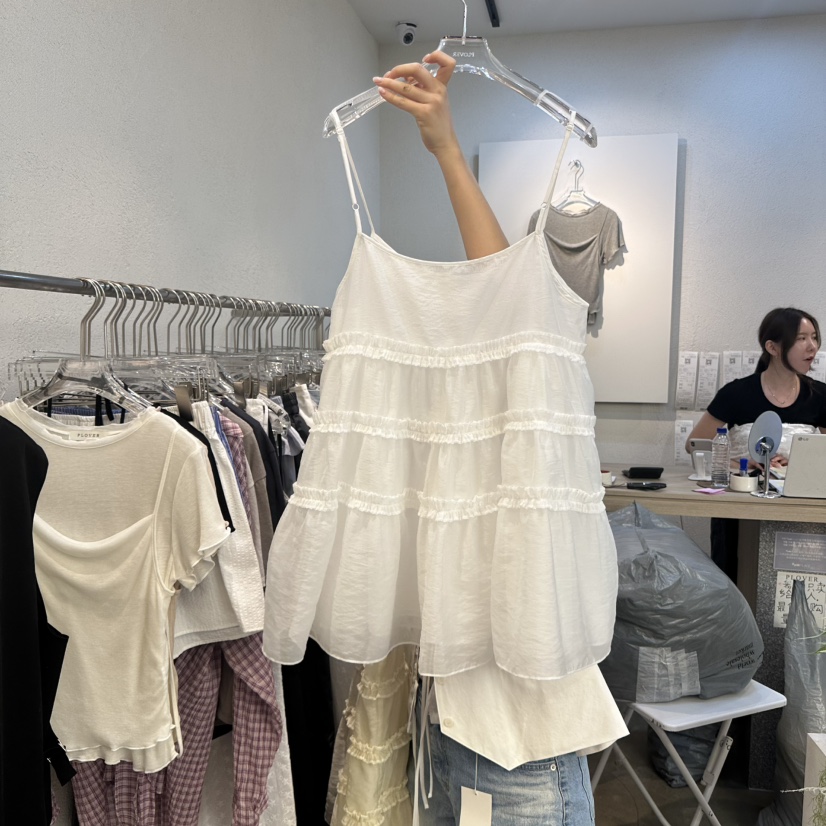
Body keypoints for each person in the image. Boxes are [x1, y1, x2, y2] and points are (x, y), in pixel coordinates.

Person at [359, 53, 627, 826]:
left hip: (519, 746)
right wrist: (444, 145)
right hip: (451, 721)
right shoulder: (456, 414)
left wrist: (447, 151)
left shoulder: (537, 400)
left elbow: (509, 289)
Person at [685, 307, 826, 580]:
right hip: (739, 508)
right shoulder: (736, 393)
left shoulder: (819, 395)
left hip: (799, 513)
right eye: (801, 338)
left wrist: (798, 462)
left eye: (814, 337)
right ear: (772, 347)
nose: (812, 346)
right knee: (736, 579)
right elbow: (694, 444)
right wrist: (738, 461)